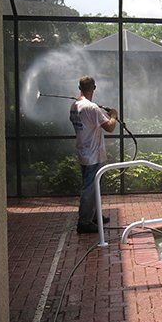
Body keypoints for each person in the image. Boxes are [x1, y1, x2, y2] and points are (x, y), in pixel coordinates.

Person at [70, 76, 117, 233]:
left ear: (79, 88)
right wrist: (113, 115)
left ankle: (95, 216)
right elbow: (110, 127)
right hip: (93, 155)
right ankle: (84, 222)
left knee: (94, 186)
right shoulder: (92, 108)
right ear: (94, 88)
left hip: (84, 152)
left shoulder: (74, 106)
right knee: (89, 189)